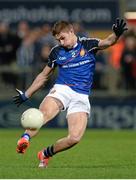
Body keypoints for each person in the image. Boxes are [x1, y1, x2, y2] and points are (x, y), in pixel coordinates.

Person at [13, 18, 127, 168]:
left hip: (81, 95)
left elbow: (107, 42)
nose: (60, 42)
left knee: (74, 138)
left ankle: (45, 154)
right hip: (62, 89)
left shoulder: (88, 44)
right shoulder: (56, 52)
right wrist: (26, 94)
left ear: (71, 31)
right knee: (43, 115)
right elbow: (43, 76)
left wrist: (116, 35)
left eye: (62, 38)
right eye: (57, 39)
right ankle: (25, 139)